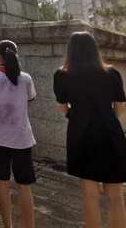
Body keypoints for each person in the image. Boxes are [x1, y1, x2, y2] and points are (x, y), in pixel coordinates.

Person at [54, 32, 126, 228]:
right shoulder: (112, 73)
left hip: (81, 135)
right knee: (116, 196)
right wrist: (106, 120)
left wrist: (75, 117)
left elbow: (62, 107)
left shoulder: (62, 75)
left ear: (71, 50)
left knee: (89, 196)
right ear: (95, 49)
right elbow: (120, 107)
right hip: (111, 135)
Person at [0, 40, 36, 228]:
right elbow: (27, 105)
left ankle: (8, 226)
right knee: (24, 186)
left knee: (2, 182)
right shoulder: (26, 78)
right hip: (22, 138)